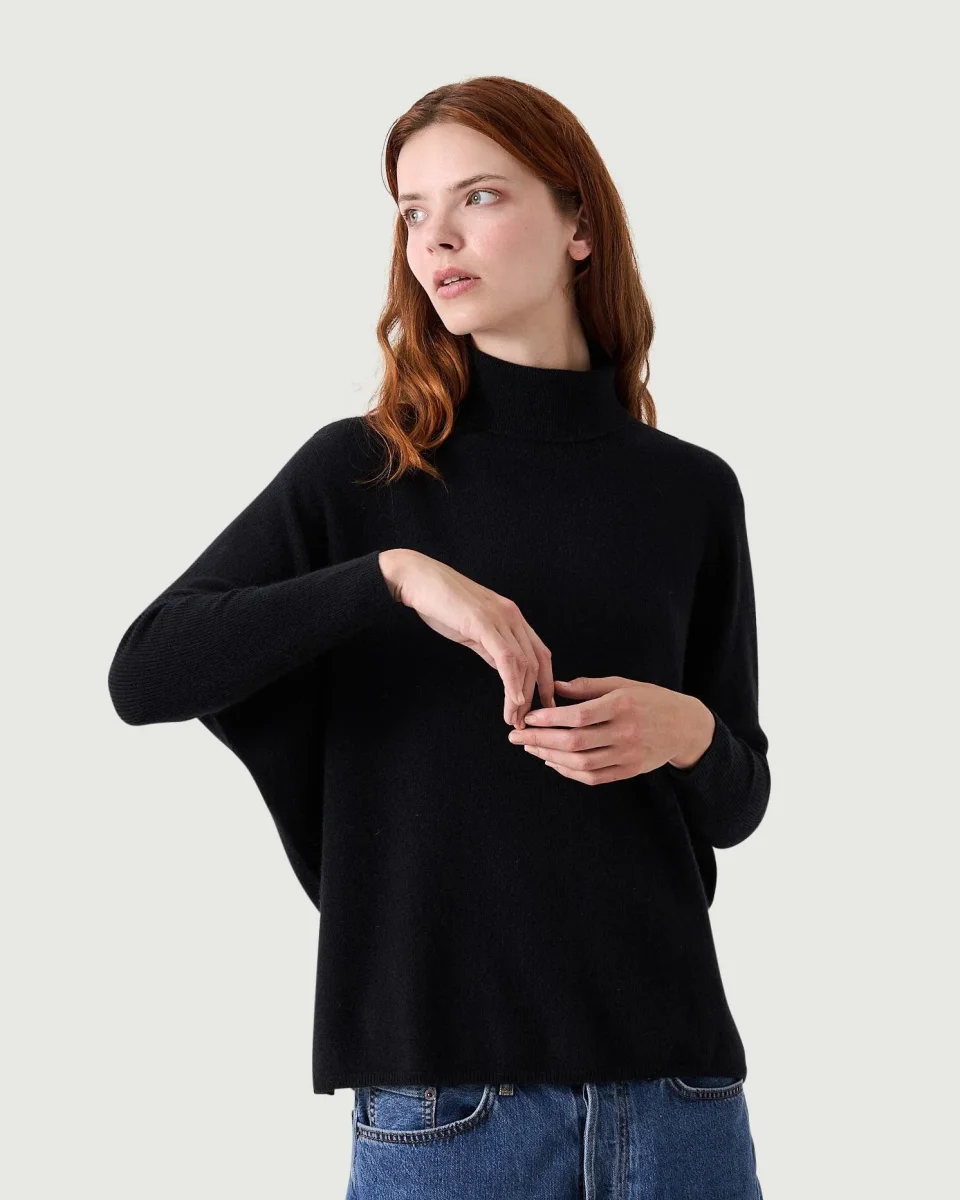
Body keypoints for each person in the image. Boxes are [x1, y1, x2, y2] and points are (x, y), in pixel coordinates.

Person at [108, 75, 769, 1199]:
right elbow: (147, 669)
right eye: (414, 210)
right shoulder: (362, 473)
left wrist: (690, 732)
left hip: (681, 1099)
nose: (437, 238)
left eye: (479, 196)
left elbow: (739, 803)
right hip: (451, 1111)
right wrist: (395, 578)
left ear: (579, 225)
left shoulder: (691, 492)